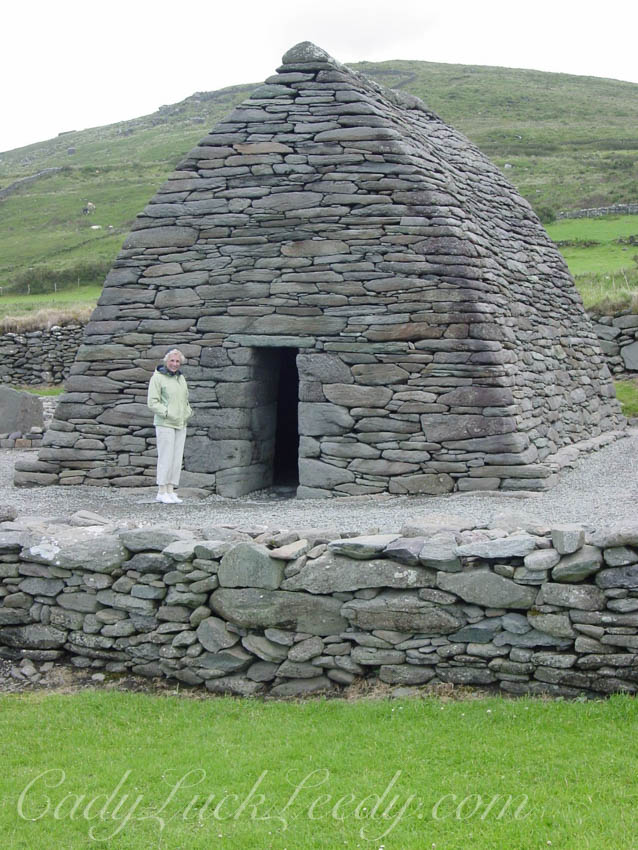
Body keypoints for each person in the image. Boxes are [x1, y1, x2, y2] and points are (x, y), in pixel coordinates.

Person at [147, 348, 193, 504]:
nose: (175, 364)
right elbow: (152, 402)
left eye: (178, 361)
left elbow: (185, 399)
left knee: (176, 458)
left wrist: (187, 412)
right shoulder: (157, 378)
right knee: (166, 457)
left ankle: (170, 490)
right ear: (166, 361)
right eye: (172, 360)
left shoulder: (181, 378)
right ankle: (161, 490)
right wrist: (167, 413)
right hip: (165, 423)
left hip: (180, 422)